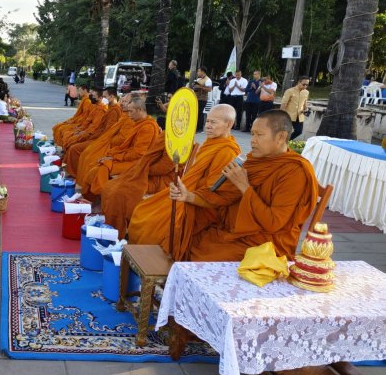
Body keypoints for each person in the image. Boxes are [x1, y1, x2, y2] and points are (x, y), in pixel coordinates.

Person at [187, 110, 318, 261]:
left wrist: (244, 186)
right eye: (252, 134)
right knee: (188, 232)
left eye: (259, 135)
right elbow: (227, 196)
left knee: (203, 256)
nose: (252, 141)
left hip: (267, 243)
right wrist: (191, 196)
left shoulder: (294, 171)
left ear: (281, 137)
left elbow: (273, 223)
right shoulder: (253, 161)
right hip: (237, 230)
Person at [127, 104, 242, 261]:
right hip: (185, 193)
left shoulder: (227, 151)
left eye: (213, 122)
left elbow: (213, 191)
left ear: (229, 124)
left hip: (200, 204)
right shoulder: (209, 144)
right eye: (207, 121)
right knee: (143, 210)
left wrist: (188, 194)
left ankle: (151, 263)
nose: (208, 126)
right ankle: (139, 259)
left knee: (151, 223)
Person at [79, 96, 161, 199]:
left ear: (139, 110)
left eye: (131, 111)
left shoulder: (147, 127)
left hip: (138, 163)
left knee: (100, 169)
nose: (128, 114)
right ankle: (98, 198)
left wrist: (115, 157)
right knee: (97, 163)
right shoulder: (140, 123)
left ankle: (101, 199)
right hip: (129, 157)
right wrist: (114, 154)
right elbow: (127, 146)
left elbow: (139, 154)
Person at [100, 129, 177, 238]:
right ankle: (110, 225)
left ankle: (116, 231)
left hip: (163, 180)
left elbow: (165, 167)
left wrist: (141, 169)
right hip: (147, 172)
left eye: (211, 122)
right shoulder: (166, 133)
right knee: (110, 186)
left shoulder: (177, 139)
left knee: (120, 192)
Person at [63, 89, 122, 176]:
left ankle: (74, 173)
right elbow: (89, 120)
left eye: (105, 97)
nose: (103, 99)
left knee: (75, 148)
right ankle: (70, 168)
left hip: (102, 140)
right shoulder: (110, 108)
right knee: (71, 138)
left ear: (112, 97)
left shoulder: (114, 111)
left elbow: (107, 132)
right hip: (96, 135)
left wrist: (90, 135)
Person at [280, 76, 309, 140]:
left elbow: (305, 103)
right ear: (299, 82)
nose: (305, 86)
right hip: (289, 115)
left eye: (307, 85)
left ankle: (287, 141)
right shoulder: (289, 91)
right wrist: (282, 116)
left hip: (299, 116)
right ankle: (281, 144)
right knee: (285, 132)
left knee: (299, 131)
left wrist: (306, 109)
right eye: (304, 84)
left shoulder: (306, 92)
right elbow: (284, 104)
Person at [192, 66, 212, 133]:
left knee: (200, 113)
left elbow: (209, 89)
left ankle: (200, 129)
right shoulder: (198, 80)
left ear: (203, 72)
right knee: (195, 113)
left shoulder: (208, 80)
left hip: (203, 99)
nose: (197, 72)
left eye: (198, 71)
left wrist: (200, 87)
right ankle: (195, 127)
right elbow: (196, 88)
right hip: (196, 98)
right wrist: (194, 86)